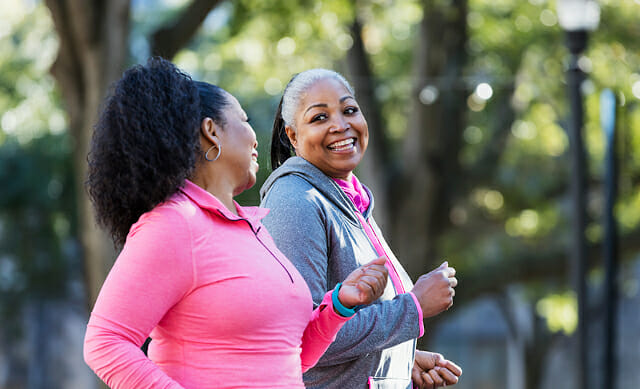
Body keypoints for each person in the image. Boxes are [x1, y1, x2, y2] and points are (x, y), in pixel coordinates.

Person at [82, 57, 390, 389]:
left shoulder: (253, 229)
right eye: (243, 120)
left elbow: (289, 355)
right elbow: (105, 342)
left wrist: (340, 303)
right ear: (211, 131)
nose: (256, 138)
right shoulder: (174, 223)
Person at [260, 68, 462, 389]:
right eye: (319, 118)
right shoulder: (296, 200)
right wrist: (413, 308)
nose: (341, 125)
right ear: (293, 136)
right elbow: (302, 335)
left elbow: (350, 327)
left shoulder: (348, 198)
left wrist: (398, 360)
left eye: (349, 110)